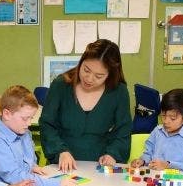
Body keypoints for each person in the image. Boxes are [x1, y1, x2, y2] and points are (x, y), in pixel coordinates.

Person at [39, 39, 131, 173]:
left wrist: (112, 154)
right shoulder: (61, 85)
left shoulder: (118, 91)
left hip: (101, 168)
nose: (89, 79)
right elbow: (47, 124)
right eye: (86, 70)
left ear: (110, 75)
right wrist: (60, 151)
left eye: (99, 76)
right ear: (81, 62)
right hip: (62, 166)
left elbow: (123, 130)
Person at [129, 88, 183, 174]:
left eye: (172, 118)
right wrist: (142, 161)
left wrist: (168, 165)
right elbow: (148, 153)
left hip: (178, 183)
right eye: (163, 115)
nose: (166, 121)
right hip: (154, 179)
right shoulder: (157, 131)